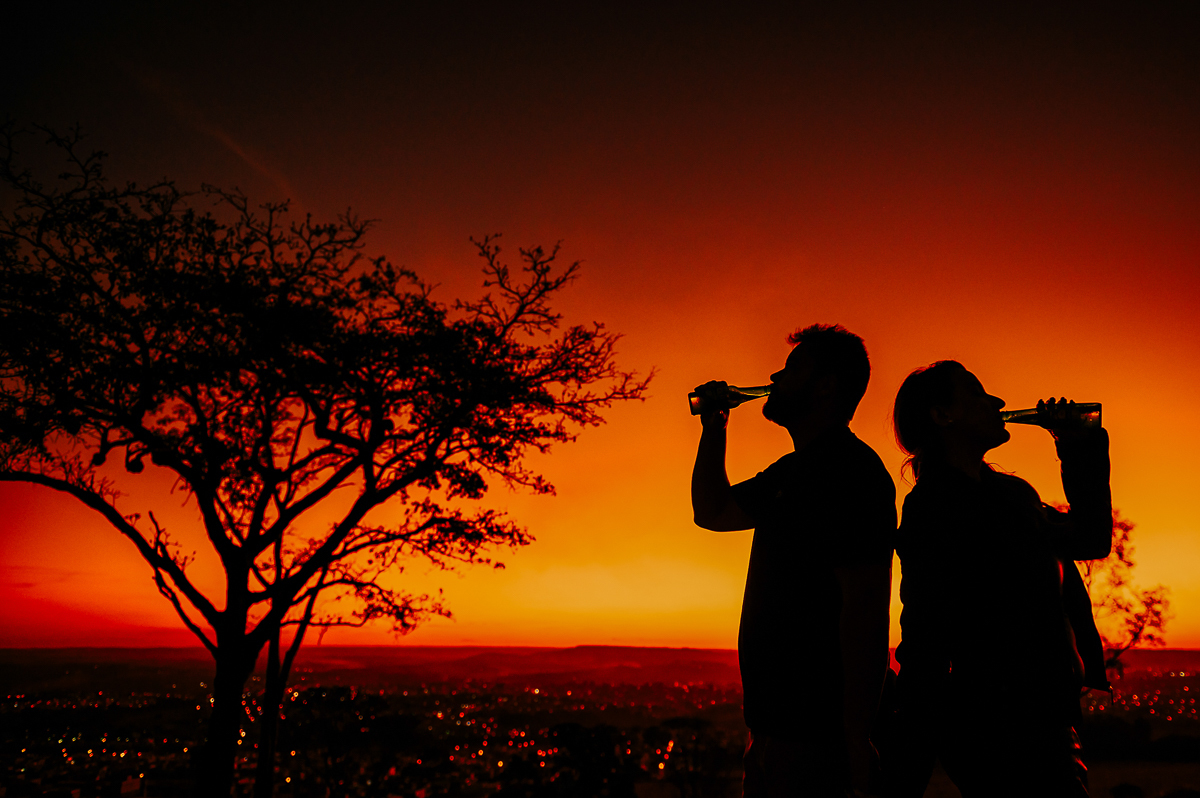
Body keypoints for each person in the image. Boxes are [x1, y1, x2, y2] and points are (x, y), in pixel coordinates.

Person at [884, 361, 1112, 798]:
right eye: (975, 393)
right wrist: (905, 767)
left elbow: (1091, 538)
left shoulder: (1012, 495)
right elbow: (925, 636)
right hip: (997, 728)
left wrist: (1078, 446)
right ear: (942, 415)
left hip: (1046, 718)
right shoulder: (934, 508)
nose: (998, 402)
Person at [691, 323, 897, 797]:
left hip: (817, 737)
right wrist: (713, 428)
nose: (775, 376)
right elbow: (713, 512)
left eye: (791, 368)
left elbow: (864, 611)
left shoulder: (852, 473)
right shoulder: (795, 471)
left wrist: (856, 738)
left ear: (825, 386)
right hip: (774, 732)